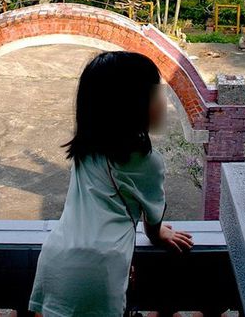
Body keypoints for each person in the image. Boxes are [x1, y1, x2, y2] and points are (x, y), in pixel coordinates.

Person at [28, 51, 194, 317]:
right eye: (155, 94)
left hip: (55, 259)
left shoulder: (84, 151)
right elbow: (152, 225)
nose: (162, 102)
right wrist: (159, 233)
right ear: (131, 105)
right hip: (102, 268)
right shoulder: (149, 164)